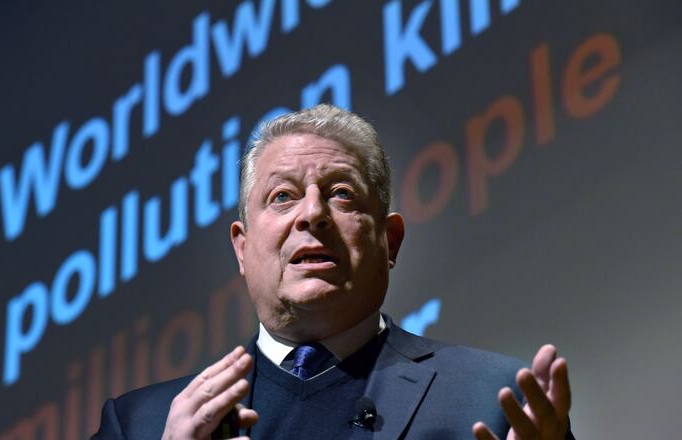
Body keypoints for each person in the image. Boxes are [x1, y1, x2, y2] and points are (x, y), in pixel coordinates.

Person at [92, 104, 573, 439]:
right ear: (242, 246)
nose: (312, 214)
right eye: (282, 196)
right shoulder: (139, 425)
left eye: (341, 193)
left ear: (390, 241)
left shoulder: (495, 398)